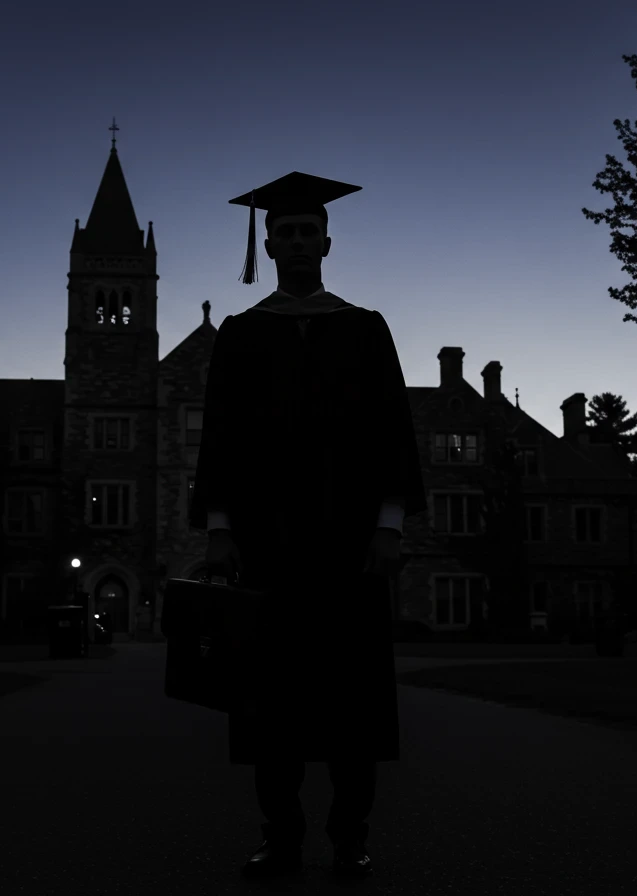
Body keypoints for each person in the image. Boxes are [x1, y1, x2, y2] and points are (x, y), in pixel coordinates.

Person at [188, 171, 426, 879]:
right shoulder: (241, 336)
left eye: (306, 230)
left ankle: (350, 835)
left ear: (327, 240)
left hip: (350, 545)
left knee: (352, 699)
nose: (296, 240)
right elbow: (221, 440)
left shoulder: (363, 329)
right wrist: (221, 528)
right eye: (284, 231)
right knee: (271, 704)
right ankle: (281, 835)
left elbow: (392, 430)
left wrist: (388, 524)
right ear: (270, 243)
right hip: (267, 544)